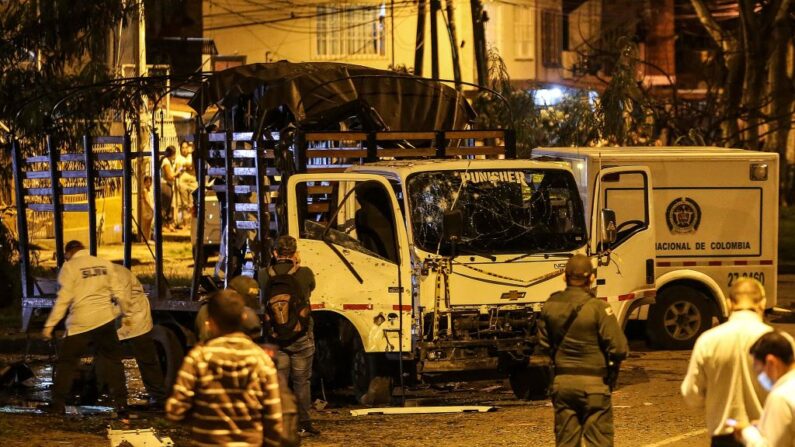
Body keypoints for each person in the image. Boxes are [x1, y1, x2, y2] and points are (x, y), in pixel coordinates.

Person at [166, 289, 283, 447]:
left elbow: (175, 410)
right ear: (243, 318)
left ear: (209, 321)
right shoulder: (261, 359)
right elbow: (274, 417)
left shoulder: (199, 357)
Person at [538, 254, 628, 447]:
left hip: (562, 384)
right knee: (599, 441)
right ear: (592, 278)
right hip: (594, 385)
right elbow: (619, 348)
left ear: (564, 276)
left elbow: (543, 346)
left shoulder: (550, 305)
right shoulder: (599, 308)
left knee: (566, 442)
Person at [41, 240, 129, 415]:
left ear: (68, 253)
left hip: (80, 324)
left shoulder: (69, 267)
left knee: (67, 362)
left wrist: (49, 325)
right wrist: (121, 312)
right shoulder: (104, 264)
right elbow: (120, 292)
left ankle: (58, 405)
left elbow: (63, 300)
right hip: (105, 321)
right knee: (113, 361)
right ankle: (122, 404)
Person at [681, 278, 772, 447]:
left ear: (729, 304)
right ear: (763, 303)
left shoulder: (708, 341)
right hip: (766, 437)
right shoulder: (778, 342)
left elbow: (691, 394)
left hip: (723, 438)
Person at [258, 235, 319, 437]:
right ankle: (303, 424)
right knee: (302, 381)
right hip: (301, 336)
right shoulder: (305, 273)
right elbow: (311, 290)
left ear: (274, 253)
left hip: (275, 336)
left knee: (279, 382)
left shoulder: (263, 274)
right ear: (295, 253)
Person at [111, 264, 167, 408]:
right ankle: (113, 396)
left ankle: (159, 398)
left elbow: (122, 301)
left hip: (135, 319)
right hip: (124, 320)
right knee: (107, 359)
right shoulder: (102, 273)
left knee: (146, 360)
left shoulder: (117, 273)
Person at [734, 331, 795, 447]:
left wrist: (746, 432)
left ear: (771, 362)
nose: (760, 377)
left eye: (759, 369)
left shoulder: (780, 397)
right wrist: (767, 424)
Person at [175, 141, 198, 228]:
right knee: (184, 204)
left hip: (193, 182)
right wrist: (185, 166)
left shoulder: (191, 156)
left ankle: (192, 223)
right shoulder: (178, 158)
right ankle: (186, 223)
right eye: (182, 148)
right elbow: (178, 169)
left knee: (193, 203)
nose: (184, 149)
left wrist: (185, 166)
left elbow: (192, 166)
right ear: (180, 149)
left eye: (186, 147)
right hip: (183, 183)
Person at [160, 146, 178, 231]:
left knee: (169, 206)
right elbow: (169, 176)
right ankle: (162, 225)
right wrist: (177, 173)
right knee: (164, 206)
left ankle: (168, 224)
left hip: (169, 185)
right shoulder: (166, 161)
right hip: (165, 185)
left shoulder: (169, 161)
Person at [140, 175, 154, 242]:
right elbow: (146, 200)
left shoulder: (150, 190)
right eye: (147, 182)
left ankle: (147, 238)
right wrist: (151, 207)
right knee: (145, 225)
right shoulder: (145, 190)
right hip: (146, 209)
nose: (149, 183)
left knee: (149, 225)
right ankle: (145, 239)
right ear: (144, 182)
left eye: (150, 182)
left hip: (150, 209)